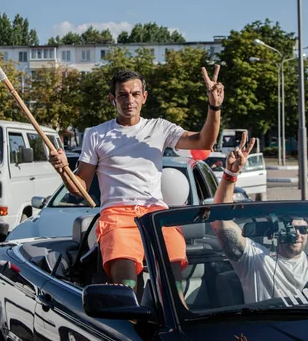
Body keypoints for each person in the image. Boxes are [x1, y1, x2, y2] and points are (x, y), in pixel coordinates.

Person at [49, 67, 224, 292]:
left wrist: (214, 106)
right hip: (117, 215)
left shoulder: (160, 128)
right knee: (127, 284)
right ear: (112, 99)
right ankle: (132, 323)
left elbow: (204, 142)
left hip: (155, 214)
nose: (129, 100)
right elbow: (80, 187)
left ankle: (168, 325)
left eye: (135, 94)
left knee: (173, 283)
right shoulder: (96, 134)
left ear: (144, 96)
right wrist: (62, 169)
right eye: (122, 94)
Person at [210, 132, 308, 304]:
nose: (297, 234)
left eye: (303, 229)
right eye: (291, 228)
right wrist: (230, 174)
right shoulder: (255, 259)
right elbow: (220, 221)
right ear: (277, 231)